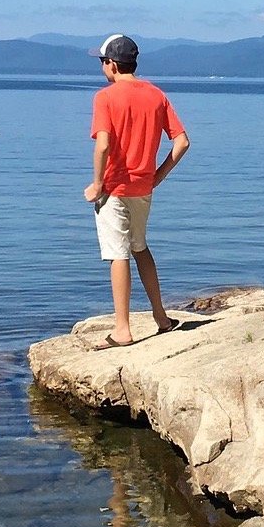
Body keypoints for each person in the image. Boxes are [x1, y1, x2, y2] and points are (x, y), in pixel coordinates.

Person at [84, 34, 190, 349]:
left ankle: (122, 329)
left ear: (112, 65)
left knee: (117, 254)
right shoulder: (156, 95)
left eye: (102, 62)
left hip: (114, 188)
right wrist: (157, 176)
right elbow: (182, 142)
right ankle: (161, 317)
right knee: (140, 247)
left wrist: (98, 184)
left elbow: (102, 144)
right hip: (143, 187)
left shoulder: (105, 98)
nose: (102, 68)